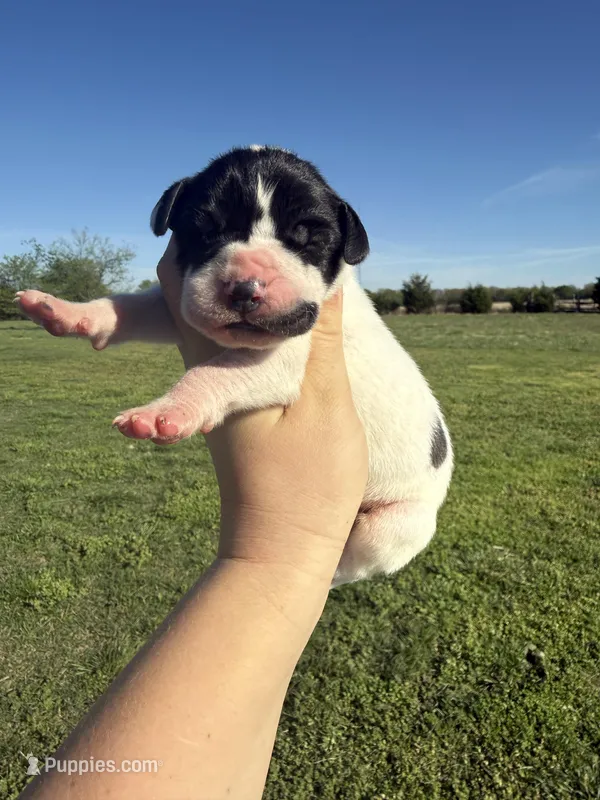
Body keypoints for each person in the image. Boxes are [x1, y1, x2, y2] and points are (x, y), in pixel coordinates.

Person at [20, 239, 368, 800]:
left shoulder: (324, 304)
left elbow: (278, 368)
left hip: (390, 507)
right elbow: (171, 307)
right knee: (249, 704)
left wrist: (193, 396)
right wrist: (99, 315)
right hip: (314, 511)